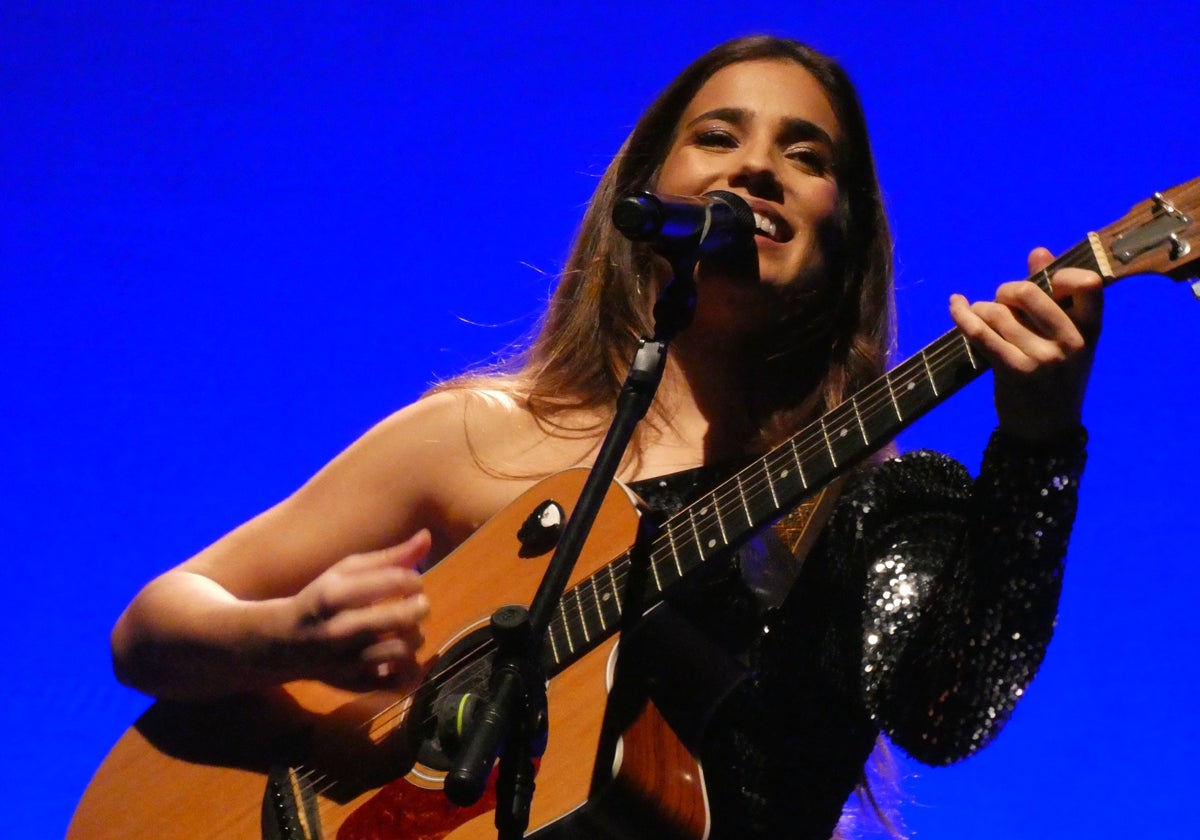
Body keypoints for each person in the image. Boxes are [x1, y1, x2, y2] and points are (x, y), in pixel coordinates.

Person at [110, 35, 1102, 840]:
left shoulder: (871, 506)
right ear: (644, 192)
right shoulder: (483, 435)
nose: (759, 165)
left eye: (809, 157)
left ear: (844, 240)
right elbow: (151, 629)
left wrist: (1037, 442)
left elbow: (949, 707)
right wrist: (282, 636)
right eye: (719, 137)